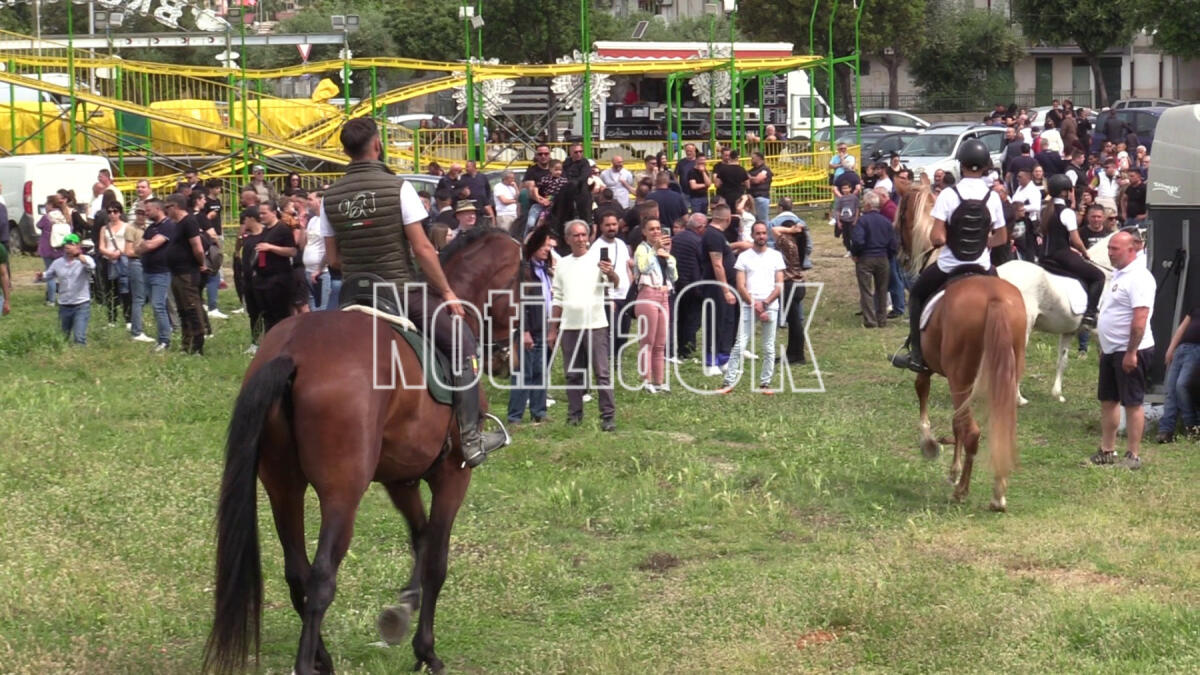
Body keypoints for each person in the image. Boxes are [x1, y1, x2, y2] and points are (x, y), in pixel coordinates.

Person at [319, 118, 506, 467]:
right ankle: (470, 437)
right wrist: (448, 291)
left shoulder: (330, 196)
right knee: (461, 343)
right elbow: (422, 249)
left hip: (354, 295)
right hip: (399, 291)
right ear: (377, 145)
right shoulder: (399, 187)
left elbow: (333, 258)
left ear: (346, 150)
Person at [892, 139, 1007, 372]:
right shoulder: (993, 197)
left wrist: (945, 239)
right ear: (985, 166)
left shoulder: (948, 195)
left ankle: (916, 355)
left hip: (949, 266)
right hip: (983, 266)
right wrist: (985, 243)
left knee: (916, 296)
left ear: (961, 164)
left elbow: (937, 238)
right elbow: (1002, 238)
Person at [1091, 231, 1156, 470]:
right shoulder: (1119, 275)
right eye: (1109, 248)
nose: (1109, 253)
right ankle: (1107, 450)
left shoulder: (1139, 277)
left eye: (1115, 249)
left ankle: (1133, 455)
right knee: (1108, 400)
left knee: (1132, 402)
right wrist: (1105, 346)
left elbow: (1140, 319)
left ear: (1132, 250)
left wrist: (1131, 352)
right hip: (1112, 350)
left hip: (1130, 350)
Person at [548, 219, 618, 431]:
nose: (580, 239)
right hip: (570, 326)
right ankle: (574, 415)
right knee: (573, 374)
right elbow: (557, 298)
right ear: (567, 239)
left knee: (601, 373)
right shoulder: (562, 264)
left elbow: (615, 283)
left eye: (583, 235)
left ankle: (608, 417)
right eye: (575, 235)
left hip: (595, 324)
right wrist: (553, 329)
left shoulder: (598, 260)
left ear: (588, 237)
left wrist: (610, 272)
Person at [718, 221, 785, 393]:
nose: (761, 236)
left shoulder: (776, 256)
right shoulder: (744, 257)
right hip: (749, 304)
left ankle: (765, 383)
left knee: (769, 346)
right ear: (753, 235)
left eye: (763, 233)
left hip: (770, 304)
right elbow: (741, 285)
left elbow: (779, 285)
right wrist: (754, 303)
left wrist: (765, 303)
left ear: (767, 234)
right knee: (740, 343)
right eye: (758, 233)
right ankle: (728, 382)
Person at [1040, 174, 1105, 327]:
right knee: (1098, 276)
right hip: (1062, 255)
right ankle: (1090, 314)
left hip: (1044, 254)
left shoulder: (1044, 209)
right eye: (1070, 191)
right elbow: (1075, 240)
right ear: (1065, 192)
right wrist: (1085, 253)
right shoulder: (1067, 212)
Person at [507, 228, 556, 425]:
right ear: (534, 245)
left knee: (540, 371)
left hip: (543, 327)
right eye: (544, 245)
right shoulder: (524, 271)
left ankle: (539, 412)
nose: (548, 249)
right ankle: (515, 417)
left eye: (550, 245)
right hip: (527, 329)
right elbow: (521, 303)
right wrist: (524, 330)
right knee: (523, 373)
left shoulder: (544, 270)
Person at [633, 218, 677, 393]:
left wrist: (669, 258)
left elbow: (674, 276)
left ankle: (659, 381)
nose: (656, 232)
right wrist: (653, 250)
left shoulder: (663, 250)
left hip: (663, 294)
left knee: (660, 343)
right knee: (647, 341)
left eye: (658, 228)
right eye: (651, 229)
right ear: (644, 232)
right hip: (647, 295)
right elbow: (643, 268)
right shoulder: (642, 249)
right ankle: (646, 380)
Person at [850, 190, 899, 328]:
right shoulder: (886, 221)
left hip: (866, 258)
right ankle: (882, 319)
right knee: (882, 290)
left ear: (867, 205)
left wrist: (855, 254)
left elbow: (858, 241)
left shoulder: (862, 221)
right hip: (883, 258)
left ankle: (870, 320)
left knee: (866, 290)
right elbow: (893, 243)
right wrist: (889, 255)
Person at [38, 233, 95, 344]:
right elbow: (48, 275)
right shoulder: (58, 262)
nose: (67, 246)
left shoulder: (85, 260)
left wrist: (78, 255)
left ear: (78, 246)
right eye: (66, 244)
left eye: (71, 244)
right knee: (62, 338)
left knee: (79, 338)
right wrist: (41, 276)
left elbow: (91, 266)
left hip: (81, 304)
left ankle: (79, 358)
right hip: (64, 305)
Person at [1156, 306, 1200, 444]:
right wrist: (1171, 348)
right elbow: (1182, 328)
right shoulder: (1196, 308)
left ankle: (1192, 426)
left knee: (1182, 385)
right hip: (1182, 349)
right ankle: (1166, 430)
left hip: (1197, 350)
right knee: (1171, 390)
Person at [136, 198, 175, 352]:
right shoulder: (151, 228)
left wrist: (146, 245)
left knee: (158, 306)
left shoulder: (168, 226)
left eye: (148, 210)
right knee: (156, 306)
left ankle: (165, 340)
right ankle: (163, 336)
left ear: (158, 209)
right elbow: (138, 248)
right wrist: (146, 245)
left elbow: (150, 244)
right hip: (147, 271)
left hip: (162, 272)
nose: (146, 213)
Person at [97, 204, 131, 329]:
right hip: (109, 260)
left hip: (123, 260)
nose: (112, 214)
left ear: (120, 212)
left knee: (126, 290)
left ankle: (128, 319)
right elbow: (101, 246)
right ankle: (112, 319)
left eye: (115, 211)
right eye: (109, 211)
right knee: (111, 290)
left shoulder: (127, 226)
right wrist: (109, 253)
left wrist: (120, 252)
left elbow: (130, 243)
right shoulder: (104, 228)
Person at [124, 205, 154, 343]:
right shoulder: (131, 228)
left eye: (143, 213)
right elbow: (128, 251)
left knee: (147, 296)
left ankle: (137, 322)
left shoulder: (150, 228)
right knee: (138, 298)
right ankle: (137, 331)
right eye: (138, 213)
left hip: (148, 263)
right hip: (136, 262)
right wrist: (142, 250)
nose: (141, 216)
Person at [747, 152, 772, 225]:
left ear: (759, 158)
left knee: (763, 222)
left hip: (761, 198)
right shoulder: (751, 171)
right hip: (751, 199)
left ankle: (767, 235)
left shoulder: (765, 170)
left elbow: (757, 180)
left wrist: (750, 178)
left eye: (753, 158)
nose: (751, 160)